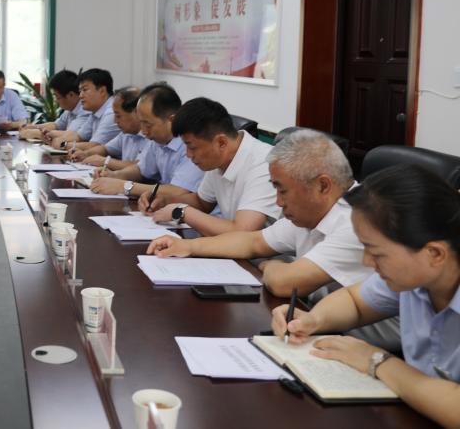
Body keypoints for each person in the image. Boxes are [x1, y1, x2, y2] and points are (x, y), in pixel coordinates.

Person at [271, 164, 460, 428]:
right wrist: (313, 320)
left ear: (435, 254)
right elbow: (355, 301)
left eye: (376, 253)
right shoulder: (416, 276)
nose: (367, 262)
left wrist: (377, 361)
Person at [146, 128, 371, 298]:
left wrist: (268, 265)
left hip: (358, 340)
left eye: (283, 191)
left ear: (322, 186)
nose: (278, 201)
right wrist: (188, 246)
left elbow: (285, 283)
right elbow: (253, 242)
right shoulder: (311, 211)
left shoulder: (355, 223)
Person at [142, 97, 280, 235]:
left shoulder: (264, 163)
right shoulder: (219, 159)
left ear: (221, 142)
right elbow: (201, 202)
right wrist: (165, 200)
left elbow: (241, 231)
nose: (188, 154)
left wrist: (182, 212)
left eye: (193, 147)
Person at [89, 82, 203, 202]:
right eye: (141, 122)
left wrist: (124, 186)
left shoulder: (191, 144)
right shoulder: (157, 140)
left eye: (148, 125)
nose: (143, 131)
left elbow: (178, 191)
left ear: (171, 120)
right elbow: (140, 170)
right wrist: (115, 175)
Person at [70, 86, 146, 168]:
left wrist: (105, 161)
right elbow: (106, 149)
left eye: (118, 116)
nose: (115, 121)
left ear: (136, 113)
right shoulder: (126, 134)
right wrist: (85, 154)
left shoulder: (150, 136)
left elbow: (141, 167)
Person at [58, 69, 121, 152]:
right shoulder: (95, 112)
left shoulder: (111, 113)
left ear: (102, 91)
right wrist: (58, 140)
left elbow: (94, 146)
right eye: (80, 91)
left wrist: (62, 145)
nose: (80, 96)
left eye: (85, 90)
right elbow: (79, 136)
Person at [18, 69, 87, 142]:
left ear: (71, 95)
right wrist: (32, 127)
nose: (56, 101)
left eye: (57, 97)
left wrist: (36, 133)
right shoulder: (70, 109)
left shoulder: (85, 110)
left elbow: (71, 136)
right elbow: (56, 125)